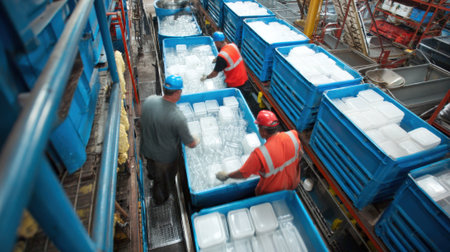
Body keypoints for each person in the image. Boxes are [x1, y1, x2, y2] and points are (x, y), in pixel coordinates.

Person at [140, 75, 199, 204]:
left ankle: (151, 175)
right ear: (178, 92)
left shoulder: (150, 100)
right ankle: (160, 198)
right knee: (163, 182)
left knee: (152, 168)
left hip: (146, 149)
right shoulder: (177, 117)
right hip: (164, 160)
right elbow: (191, 143)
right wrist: (198, 139)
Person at [216, 110, 303, 195]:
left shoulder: (260, 154)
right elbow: (300, 154)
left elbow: (243, 173)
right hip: (293, 184)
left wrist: (227, 176)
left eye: (259, 127)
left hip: (272, 193)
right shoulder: (292, 135)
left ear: (263, 131)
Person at [201, 31, 252, 99]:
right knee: (246, 98)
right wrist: (217, 58)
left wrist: (206, 77)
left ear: (218, 42)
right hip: (245, 80)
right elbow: (231, 55)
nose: (215, 44)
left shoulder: (222, 57)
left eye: (215, 42)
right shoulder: (233, 45)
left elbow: (214, 74)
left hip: (236, 85)